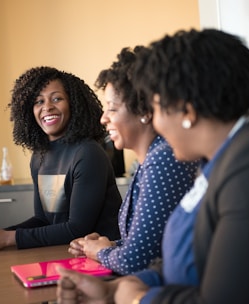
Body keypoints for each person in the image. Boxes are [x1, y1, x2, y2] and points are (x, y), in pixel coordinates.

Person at [56, 28, 249, 304]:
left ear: (186, 111)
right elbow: (197, 255)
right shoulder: (226, 153)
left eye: (156, 108)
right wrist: (122, 287)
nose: (155, 123)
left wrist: (139, 298)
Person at [68, 47, 199, 275]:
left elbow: (135, 262)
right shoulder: (149, 159)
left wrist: (100, 252)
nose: (103, 118)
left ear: (144, 111)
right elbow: (151, 245)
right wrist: (104, 246)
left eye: (112, 108)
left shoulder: (163, 159)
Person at [0, 66, 122, 251]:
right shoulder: (39, 156)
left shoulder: (87, 153)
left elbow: (77, 228)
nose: (47, 107)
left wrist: (7, 238)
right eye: (38, 101)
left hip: (101, 258)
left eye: (57, 98)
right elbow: (43, 220)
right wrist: (0, 234)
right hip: (60, 251)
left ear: (73, 104)